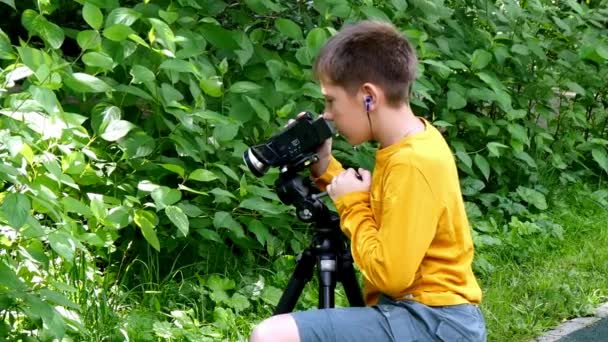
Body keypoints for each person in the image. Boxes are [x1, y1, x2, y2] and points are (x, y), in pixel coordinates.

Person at [250, 20, 486, 342]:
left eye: (331, 100)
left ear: (368, 97)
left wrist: (351, 203)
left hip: (434, 322)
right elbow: (388, 214)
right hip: (430, 315)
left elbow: (390, 275)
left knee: (271, 335)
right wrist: (326, 169)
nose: (327, 114)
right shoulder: (410, 142)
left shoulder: (411, 162)